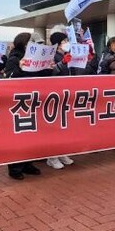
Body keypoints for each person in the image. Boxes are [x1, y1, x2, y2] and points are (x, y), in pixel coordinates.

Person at [1, 32, 49, 179]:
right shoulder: (14, 58)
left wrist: (48, 67)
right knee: (18, 136)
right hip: (19, 104)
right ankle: (15, 168)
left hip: (33, 101)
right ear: (24, 43)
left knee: (31, 135)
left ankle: (28, 163)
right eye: (31, 43)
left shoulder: (34, 58)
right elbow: (9, 78)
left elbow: (42, 77)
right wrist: (20, 67)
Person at [45, 31, 76, 170]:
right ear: (58, 44)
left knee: (65, 126)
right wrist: (62, 63)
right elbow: (51, 72)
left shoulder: (66, 54)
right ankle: (52, 157)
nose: (66, 43)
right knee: (55, 127)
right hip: (54, 94)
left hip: (66, 93)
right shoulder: (51, 55)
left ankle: (62, 152)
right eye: (64, 41)